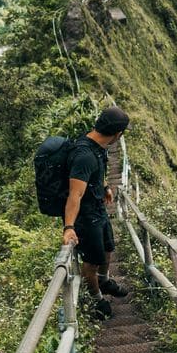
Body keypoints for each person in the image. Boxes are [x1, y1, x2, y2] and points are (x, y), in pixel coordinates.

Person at [61, 105, 130, 317]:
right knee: (90, 262)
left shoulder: (98, 147)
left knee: (108, 248)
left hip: (98, 209)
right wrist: (69, 227)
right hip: (85, 217)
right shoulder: (84, 156)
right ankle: (97, 300)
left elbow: (94, 175)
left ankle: (104, 280)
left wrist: (105, 187)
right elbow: (75, 194)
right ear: (117, 134)